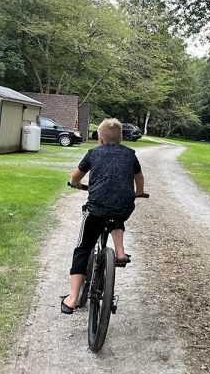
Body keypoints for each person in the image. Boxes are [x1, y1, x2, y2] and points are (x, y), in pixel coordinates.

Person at [61, 118, 145, 314]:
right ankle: (120, 252)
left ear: (100, 139)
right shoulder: (130, 154)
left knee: (82, 248)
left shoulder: (93, 153)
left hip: (97, 209)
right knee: (117, 216)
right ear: (121, 138)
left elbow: (76, 177)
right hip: (124, 207)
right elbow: (139, 179)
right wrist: (138, 193)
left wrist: (74, 184)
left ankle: (72, 298)